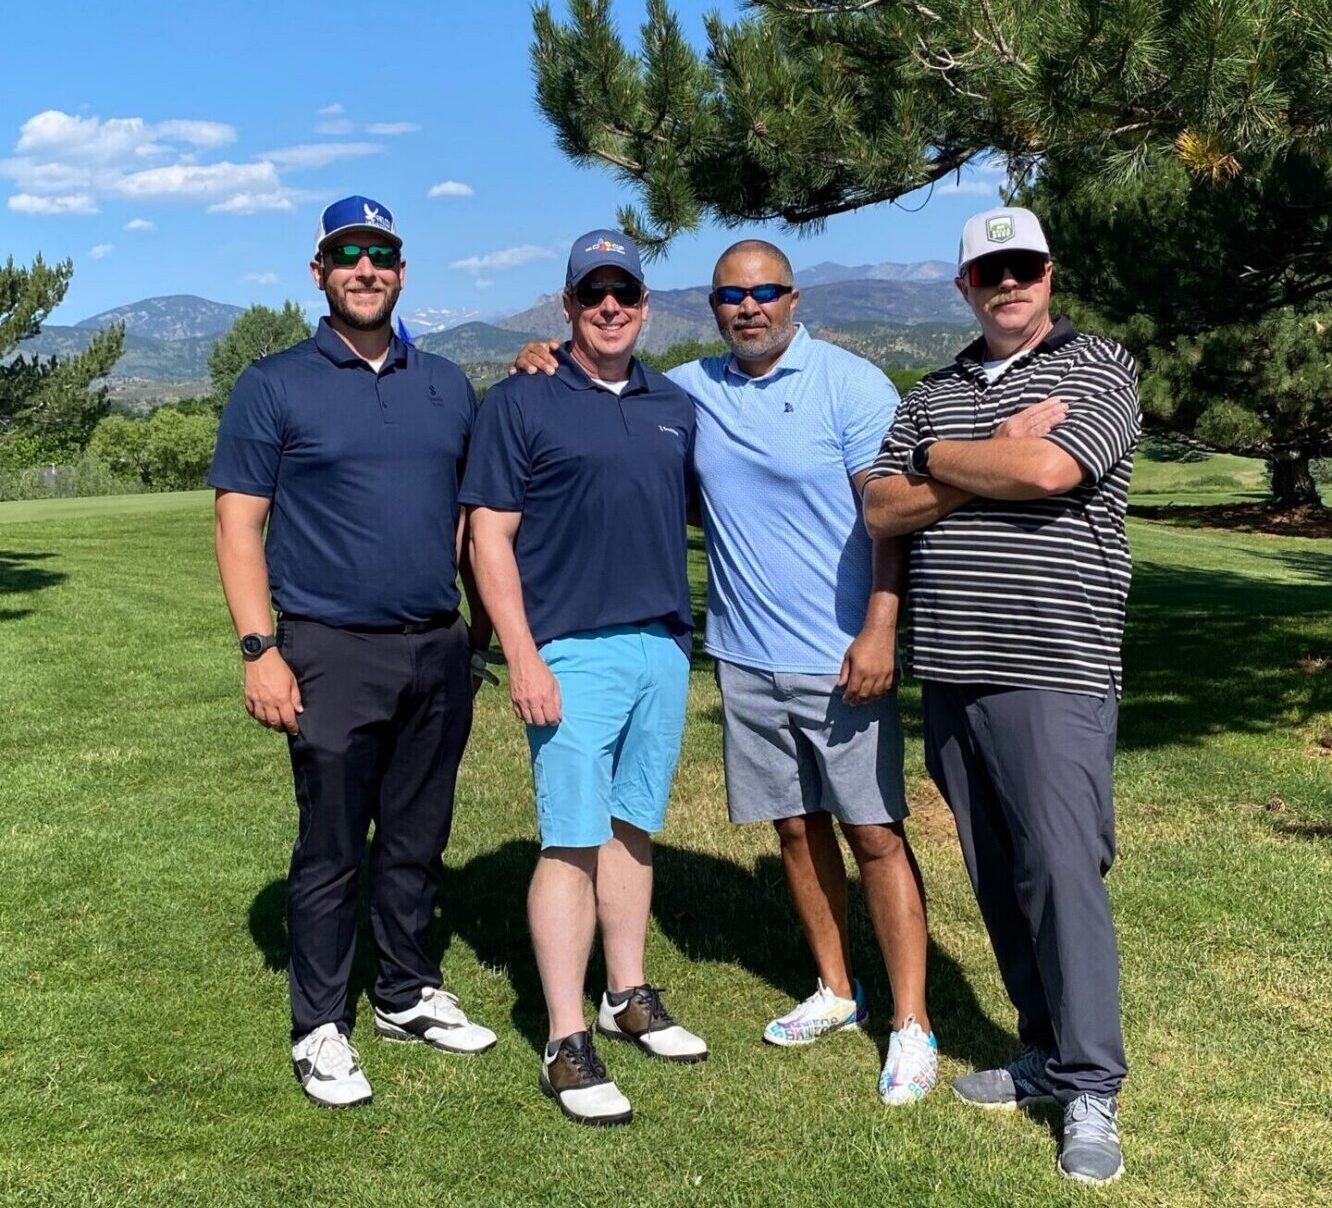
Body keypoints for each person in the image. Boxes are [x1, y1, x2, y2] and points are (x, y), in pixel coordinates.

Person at [513, 238, 938, 1107]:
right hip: (743, 657)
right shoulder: (693, 391)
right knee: (793, 828)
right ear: (711, 308)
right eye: (730, 297)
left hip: (842, 654)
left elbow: (890, 517)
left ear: (795, 298)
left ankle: (913, 1023)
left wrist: (881, 627)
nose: (749, 308)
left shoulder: (851, 385)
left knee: (876, 834)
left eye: (765, 292)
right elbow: (605, 396)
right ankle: (836, 989)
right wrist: (542, 358)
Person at [862, 205, 1140, 1184]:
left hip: (1054, 662)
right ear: (965, 287)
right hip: (953, 664)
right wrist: (975, 457)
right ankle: (1042, 1050)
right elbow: (879, 504)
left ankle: (1092, 1080)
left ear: (1049, 273)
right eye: (990, 272)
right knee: (999, 872)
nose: (1009, 284)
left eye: (1024, 267)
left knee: (1062, 870)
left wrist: (942, 461)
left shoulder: (1098, 366)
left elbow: (1052, 464)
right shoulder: (932, 388)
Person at [209, 195, 497, 1109]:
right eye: (347, 255)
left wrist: (478, 634)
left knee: (417, 835)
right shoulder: (274, 383)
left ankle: (405, 992)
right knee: (332, 844)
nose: (365, 269)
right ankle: (321, 1024)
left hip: (437, 646)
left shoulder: (447, 381)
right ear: (320, 272)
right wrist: (260, 647)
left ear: (402, 271)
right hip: (327, 648)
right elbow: (238, 521)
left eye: (381, 254)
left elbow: (470, 520)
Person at [461, 230, 708, 1128]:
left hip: (660, 648)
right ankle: (567, 1040)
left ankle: (628, 991)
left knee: (634, 826)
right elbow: (488, 536)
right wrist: (520, 653)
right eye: (593, 294)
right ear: (566, 306)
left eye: (626, 294)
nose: (611, 308)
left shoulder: (673, 403)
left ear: (645, 305)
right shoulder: (522, 400)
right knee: (570, 837)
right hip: (568, 648)